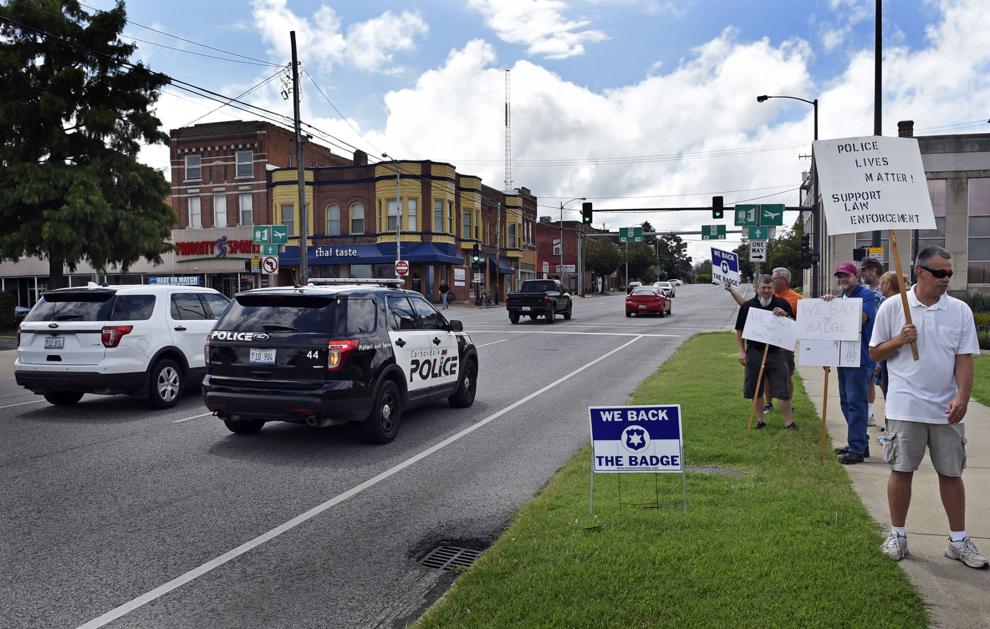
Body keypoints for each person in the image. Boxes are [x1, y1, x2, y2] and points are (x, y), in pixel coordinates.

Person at [868, 247, 986, 569]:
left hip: (946, 407)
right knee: (901, 470)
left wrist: (962, 397)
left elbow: (964, 358)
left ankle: (958, 541)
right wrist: (899, 340)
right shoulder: (894, 307)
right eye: (940, 273)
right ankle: (898, 535)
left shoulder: (959, 310)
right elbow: (875, 353)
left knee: (951, 473)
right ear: (920, 273)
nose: (946, 279)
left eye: (949, 273)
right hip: (905, 405)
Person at [823, 261, 877, 464]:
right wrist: (830, 305)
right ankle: (860, 442)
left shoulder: (866, 295)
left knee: (856, 402)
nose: (842, 279)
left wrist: (837, 308)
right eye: (839, 276)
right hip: (842, 356)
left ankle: (857, 448)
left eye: (846, 275)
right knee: (846, 401)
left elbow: (860, 319)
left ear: (856, 277)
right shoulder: (841, 298)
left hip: (859, 358)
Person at [734, 274, 795, 430]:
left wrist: (785, 315)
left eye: (769, 288)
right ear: (757, 288)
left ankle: (789, 422)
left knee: (783, 388)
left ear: (773, 288)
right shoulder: (748, 306)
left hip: (777, 352)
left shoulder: (782, 303)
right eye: (763, 288)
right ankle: (760, 420)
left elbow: (794, 325)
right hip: (754, 352)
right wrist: (742, 351)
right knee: (755, 388)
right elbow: (739, 331)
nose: (766, 291)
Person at [860, 258, 885, 425]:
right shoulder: (863, 290)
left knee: (883, 380)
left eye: (864, 270)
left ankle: (891, 418)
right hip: (868, 340)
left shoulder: (886, 290)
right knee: (868, 378)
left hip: (884, 341)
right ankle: (869, 413)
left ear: (873, 270)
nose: (861, 274)